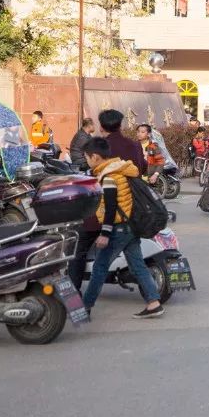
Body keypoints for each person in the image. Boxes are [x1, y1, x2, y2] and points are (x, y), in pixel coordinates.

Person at [80, 137, 164, 319]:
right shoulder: (121, 169)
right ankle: (153, 303)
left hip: (118, 228)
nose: (86, 161)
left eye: (87, 157)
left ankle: (85, 308)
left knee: (99, 268)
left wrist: (104, 233)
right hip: (129, 226)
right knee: (137, 265)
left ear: (95, 157)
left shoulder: (109, 177)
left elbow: (110, 208)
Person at [69, 109, 147, 289]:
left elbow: (95, 181)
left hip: (105, 210)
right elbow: (141, 169)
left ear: (102, 127)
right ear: (120, 125)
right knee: (133, 254)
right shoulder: (134, 146)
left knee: (79, 246)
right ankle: (152, 299)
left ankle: (75, 293)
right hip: (131, 209)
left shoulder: (99, 147)